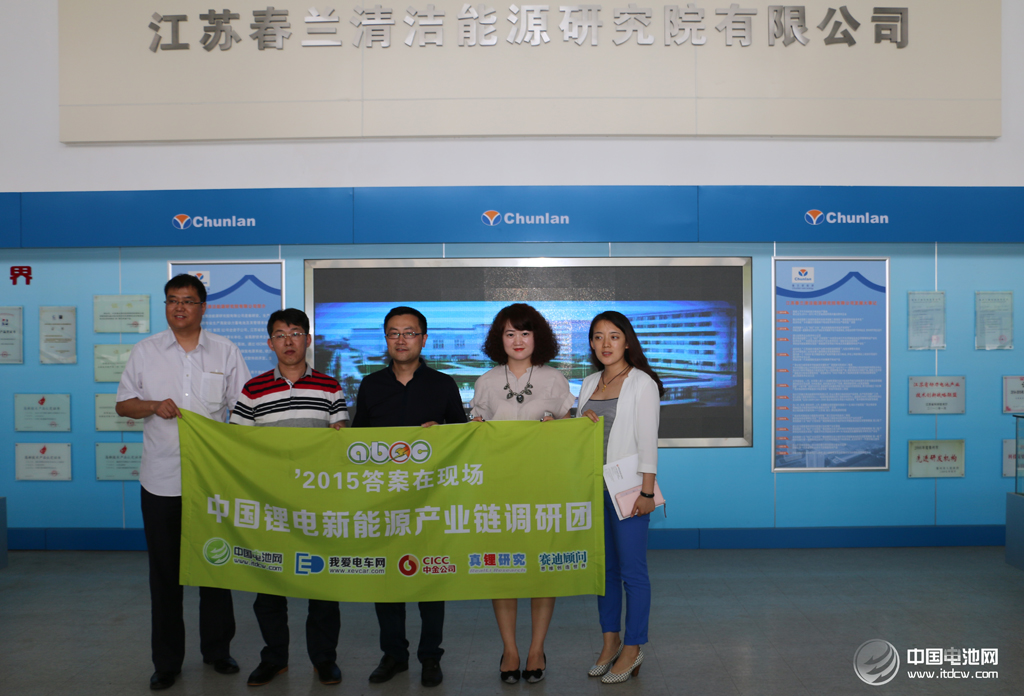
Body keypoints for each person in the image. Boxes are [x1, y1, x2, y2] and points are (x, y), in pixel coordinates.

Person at [115, 273, 251, 691]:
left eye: (188, 301)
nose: (179, 307)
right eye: (172, 300)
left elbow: (243, 409)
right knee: (164, 577)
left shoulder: (225, 350)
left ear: (203, 307)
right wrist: (153, 405)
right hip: (161, 481)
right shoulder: (146, 351)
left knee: (216, 567)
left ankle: (218, 650)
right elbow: (123, 405)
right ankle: (167, 662)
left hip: (212, 481)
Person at [229, 308, 349, 687]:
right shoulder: (252, 390)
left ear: (308, 340)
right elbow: (236, 443)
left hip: (318, 505)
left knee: (323, 585)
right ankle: (274, 658)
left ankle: (324, 659)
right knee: (269, 587)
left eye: (296, 333)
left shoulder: (329, 387)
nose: (288, 341)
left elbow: (340, 440)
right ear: (270, 343)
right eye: (280, 335)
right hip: (269, 505)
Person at [351, 306, 468, 688]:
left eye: (409, 332)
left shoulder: (442, 384)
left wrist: (442, 434)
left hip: (430, 502)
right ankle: (393, 655)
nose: (401, 340)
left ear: (423, 338)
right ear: (386, 339)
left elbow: (463, 437)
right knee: (387, 579)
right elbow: (357, 442)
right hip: (382, 501)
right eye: (393, 333)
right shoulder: (370, 385)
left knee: (431, 577)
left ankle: (430, 656)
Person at [469, 303, 574, 684]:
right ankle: (510, 649)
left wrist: (559, 425)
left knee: (543, 568)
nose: (517, 340)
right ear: (499, 338)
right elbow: (473, 432)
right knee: (503, 567)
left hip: (543, 488)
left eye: (525, 333)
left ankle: (536, 649)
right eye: (510, 333)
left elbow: (570, 432)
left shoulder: (554, 379)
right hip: (497, 490)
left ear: (537, 337)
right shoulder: (485, 381)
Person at [576, 311, 664, 685]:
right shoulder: (588, 382)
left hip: (628, 489)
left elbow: (648, 441)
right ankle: (610, 641)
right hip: (591, 488)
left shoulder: (642, 382)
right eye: (598, 337)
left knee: (632, 572)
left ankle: (633, 646)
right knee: (605, 572)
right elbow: (580, 434)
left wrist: (647, 491)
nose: (605, 344)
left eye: (614, 336)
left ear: (627, 341)